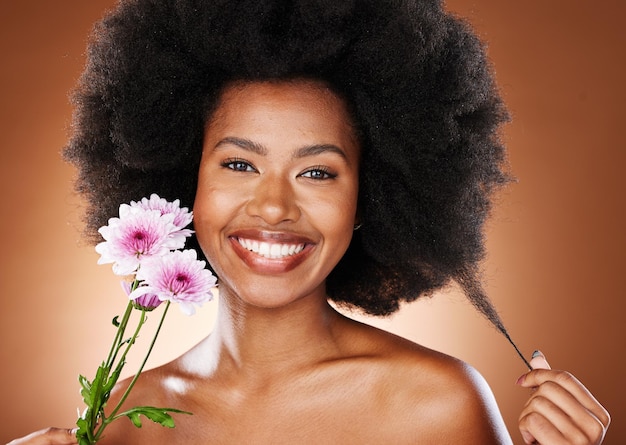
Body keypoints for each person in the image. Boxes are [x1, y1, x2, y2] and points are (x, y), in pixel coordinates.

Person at [9, 0, 609, 444]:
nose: (273, 207)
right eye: (239, 163)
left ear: (370, 197)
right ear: (181, 183)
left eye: (317, 172)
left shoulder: (435, 405)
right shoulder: (127, 416)